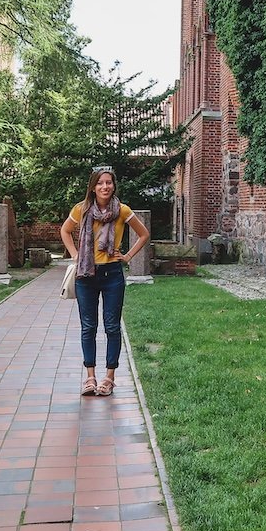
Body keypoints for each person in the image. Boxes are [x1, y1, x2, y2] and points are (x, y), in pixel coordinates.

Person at [60, 166, 150, 396]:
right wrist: (75, 254)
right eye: (100, 183)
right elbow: (65, 231)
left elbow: (143, 234)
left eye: (108, 182)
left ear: (113, 185)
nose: (105, 187)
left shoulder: (121, 211)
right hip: (85, 275)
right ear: (93, 186)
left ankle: (109, 377)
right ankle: (90, 377)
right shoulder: (81, 210)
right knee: (88, 327)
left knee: (112, 327)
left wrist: (127, 256)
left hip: (112, 275)